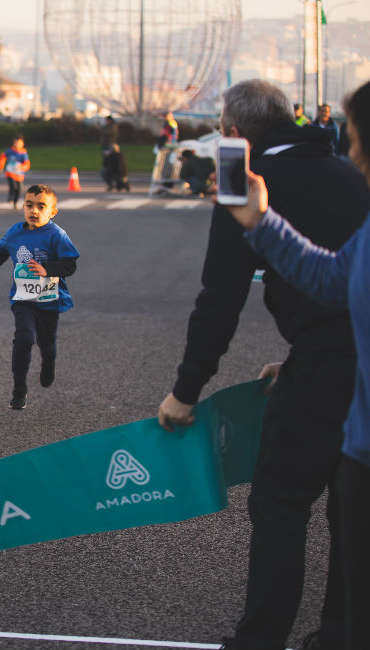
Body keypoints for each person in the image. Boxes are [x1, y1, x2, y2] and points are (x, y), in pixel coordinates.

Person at [156, 79, 370, 650]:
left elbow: (220, 299)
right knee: (351, 507)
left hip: (327, 363)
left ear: (232, 135)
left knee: (280, 501)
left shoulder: (244, 185)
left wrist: (186, 390)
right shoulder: (348, 177)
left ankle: (261, 638)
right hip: (353, 358)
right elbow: (342, 281)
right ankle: (339, 634)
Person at [222, 79, 370, 650]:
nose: (351, 154)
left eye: (358, 142)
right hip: (359, 442)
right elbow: (334, 284)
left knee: (283, 500)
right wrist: (260, 221)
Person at [0, 184, 79, 410]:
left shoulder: (57, 235)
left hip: (50, 300)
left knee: (46, 344)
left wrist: (47, 268)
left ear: (52, 212)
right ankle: (19, 389)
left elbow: (70, 265)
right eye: (29, 205)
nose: (34, 210)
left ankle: (49, 364)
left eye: (41, 206)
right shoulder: (15, 233)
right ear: (23, 206)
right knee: (24, 339)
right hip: (23, 299)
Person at [0, 136, 31, 209]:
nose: (17, 144)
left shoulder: (23, 154)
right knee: (13, 186)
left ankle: (15, 202)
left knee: (19, 188)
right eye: (16, 143)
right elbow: (2, 157)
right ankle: (11, 196)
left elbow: (27, 164)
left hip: (19, 174)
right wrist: (1, 166)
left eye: (19, 143)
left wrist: (22, 167)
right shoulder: (10, 151)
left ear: (22, 144)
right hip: (10, 172)